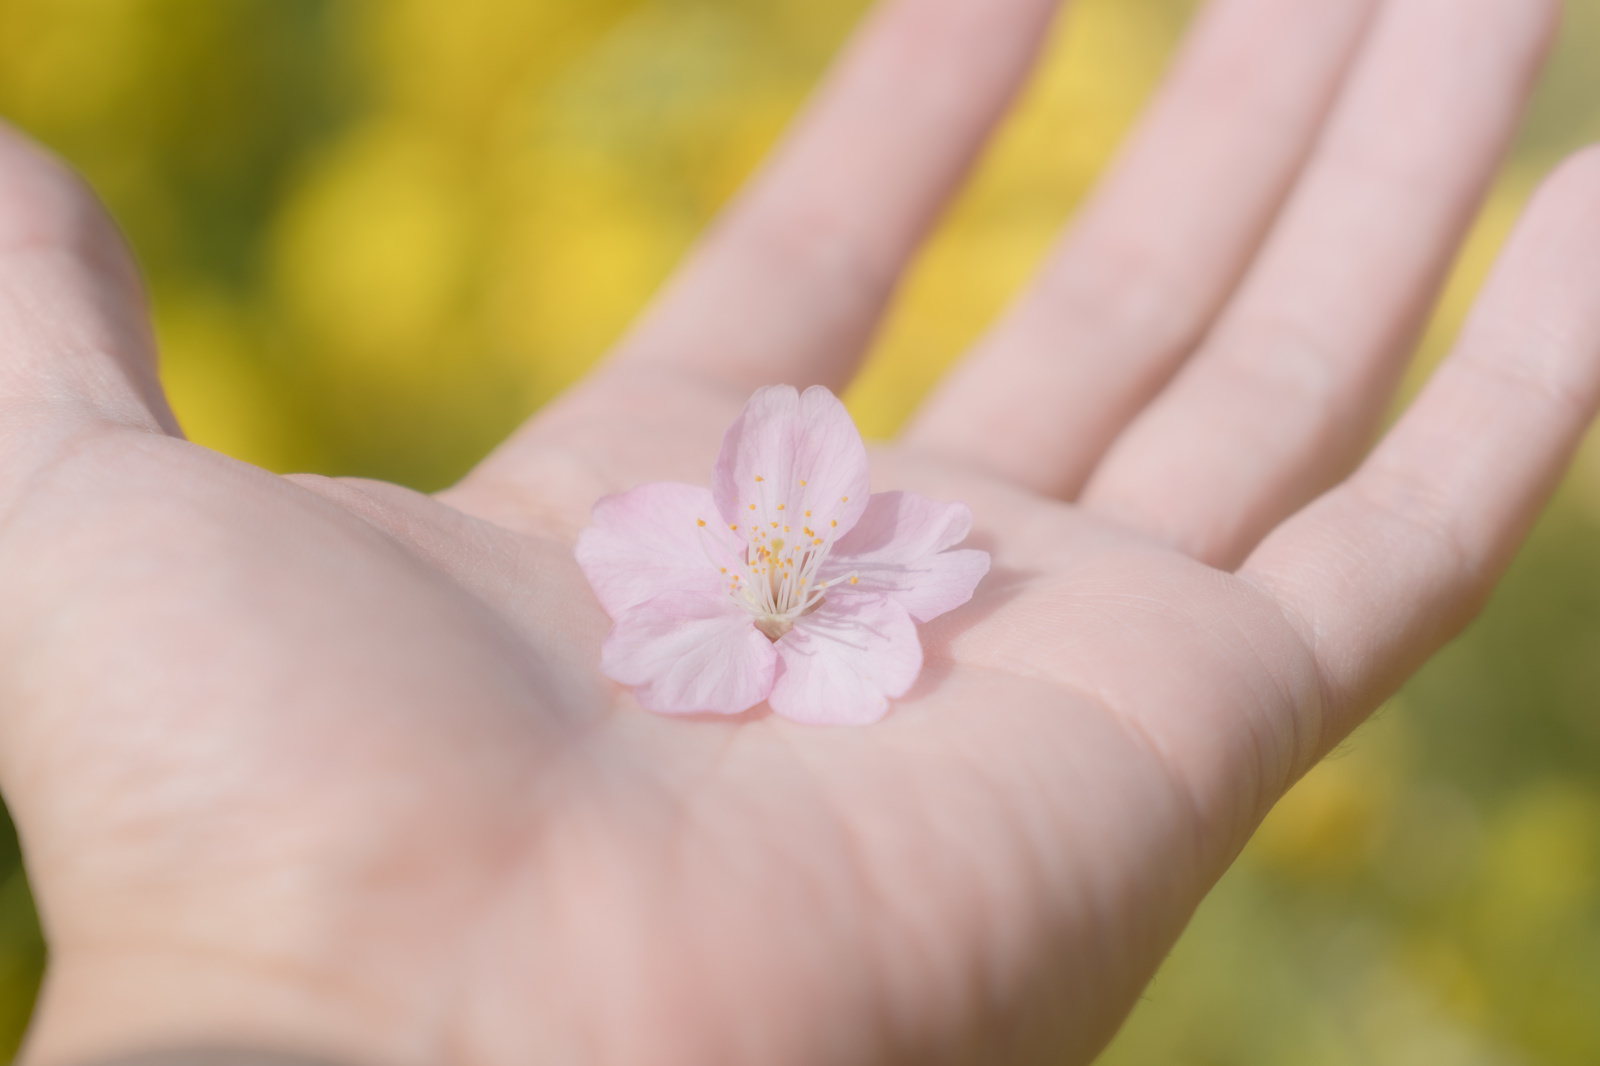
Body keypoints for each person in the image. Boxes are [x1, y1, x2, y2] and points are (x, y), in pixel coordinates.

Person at [0, 0, 1592, 1062]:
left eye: (782, 554)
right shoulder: (723, 597)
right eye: (767, 555)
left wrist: (253, 977)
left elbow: (878, 578)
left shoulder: (819, 582)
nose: (775, 557)